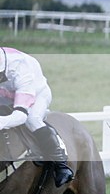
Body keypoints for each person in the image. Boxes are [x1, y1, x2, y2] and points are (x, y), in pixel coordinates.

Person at [0, 47, 73, 186]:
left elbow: (20, 115)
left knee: (32, 120)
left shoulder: (21, 69)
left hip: (35, 93)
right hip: (5, 94)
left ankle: (61, 165)